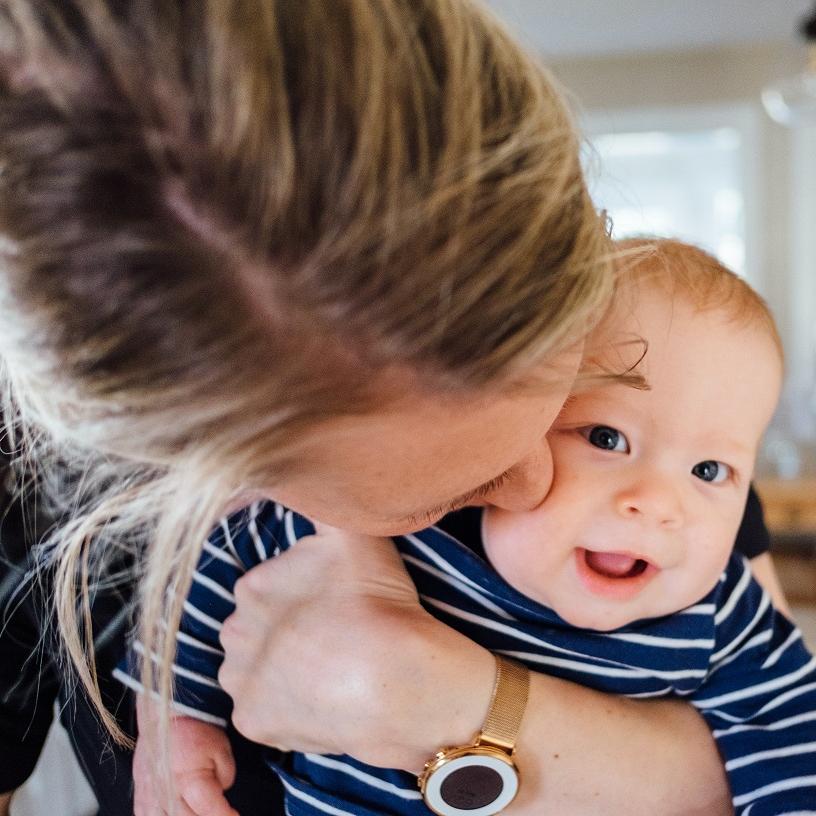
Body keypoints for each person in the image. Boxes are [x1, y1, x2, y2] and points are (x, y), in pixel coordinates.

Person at [0, 1, 787, 814]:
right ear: (214, 472)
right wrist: (174, 706)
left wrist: (453, 703)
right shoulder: (76, 518)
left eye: (569, 413)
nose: (539, 481)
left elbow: (768, 741)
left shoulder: (657, 458)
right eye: (448, 492)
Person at [122, 239, 816, 816]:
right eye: (606, 438)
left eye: (710, 471)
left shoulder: (721, 611)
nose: (658, 503)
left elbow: (792, 740)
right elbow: (217, 562)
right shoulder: (412, 522)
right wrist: (175, 717)